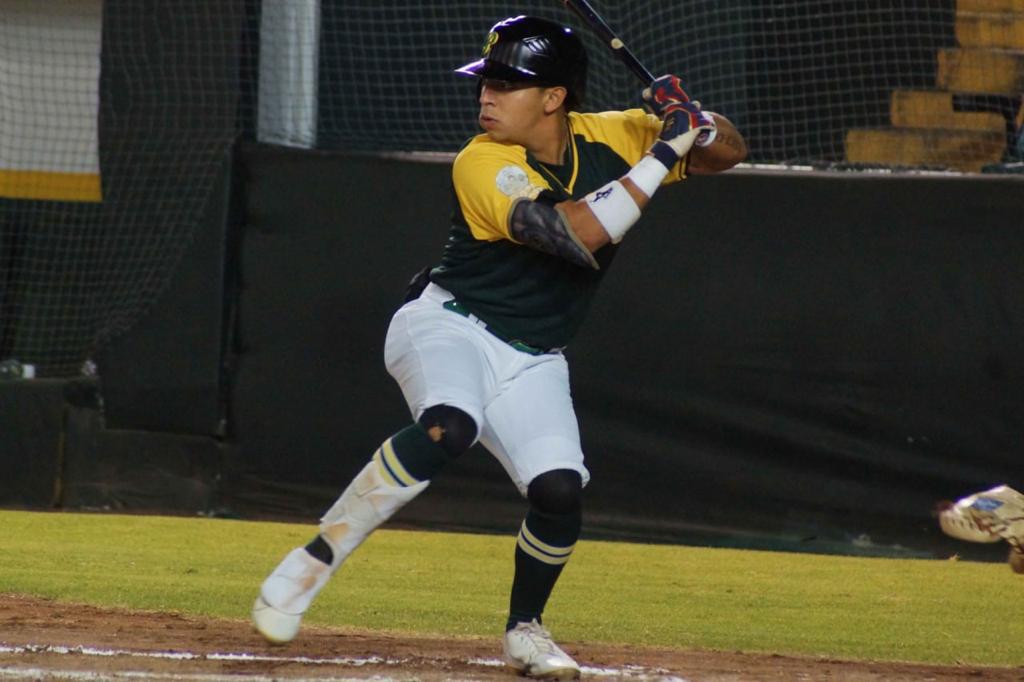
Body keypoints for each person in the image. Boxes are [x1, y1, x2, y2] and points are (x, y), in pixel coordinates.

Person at [252, 14, 747, 679]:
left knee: (559, 491)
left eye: (507, 84)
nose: (487, 95)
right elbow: (576, 234)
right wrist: (664, 151)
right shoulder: (482, 160)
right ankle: (315, 559)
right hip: (449, 326)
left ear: (554, 97)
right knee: (450, 426)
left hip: (535, 353)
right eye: (486, 82)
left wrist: (696, 122)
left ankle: (525, 631)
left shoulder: (614, 134)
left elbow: (727, 152)